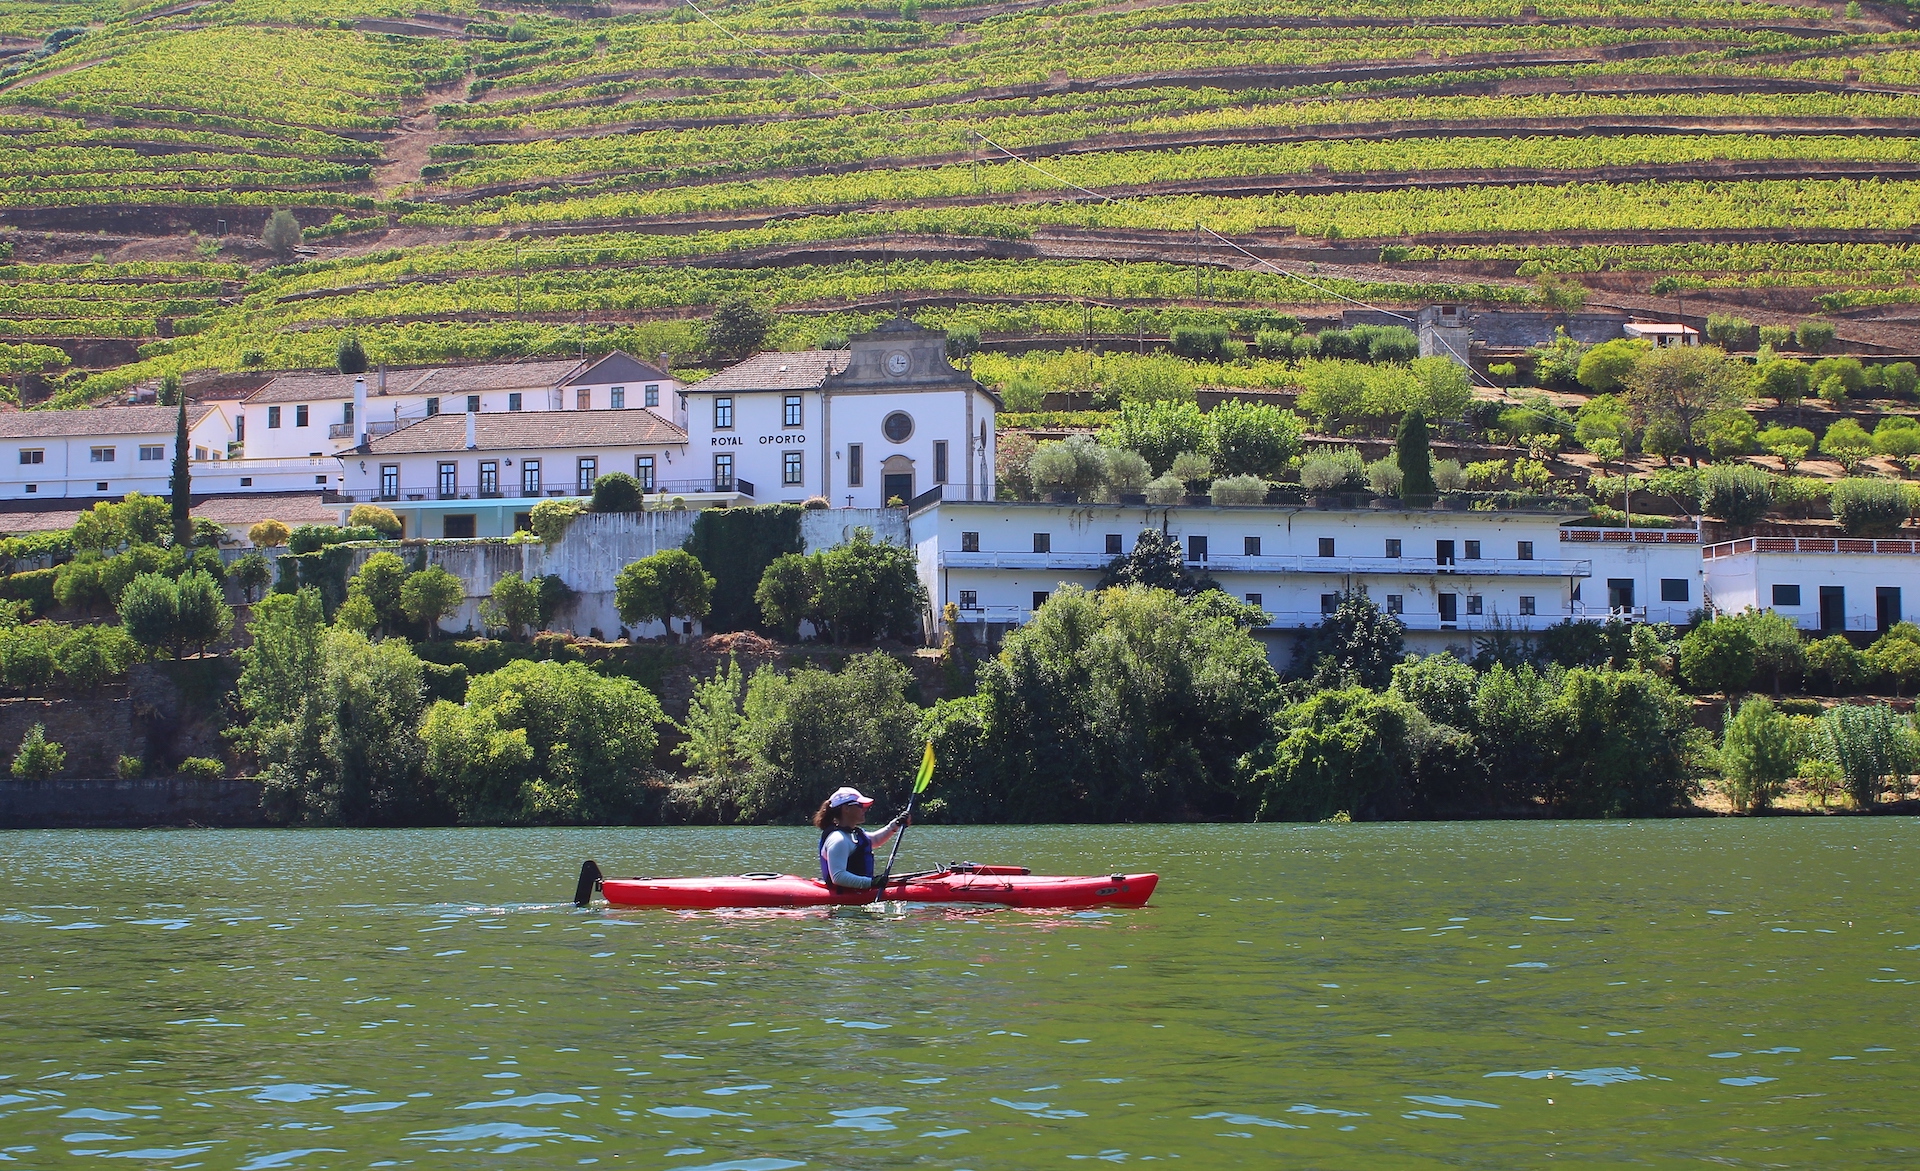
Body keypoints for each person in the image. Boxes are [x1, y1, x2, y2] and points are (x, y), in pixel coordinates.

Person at [815, 786, 909, 895]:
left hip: (861, 889)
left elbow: (875, 840)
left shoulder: (853, 833)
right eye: (860, 805)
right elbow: (838, 877)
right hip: (844, 898)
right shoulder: (838, 839)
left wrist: (895, 825)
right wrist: (872, 883)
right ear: (846, 809)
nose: (864, 809)